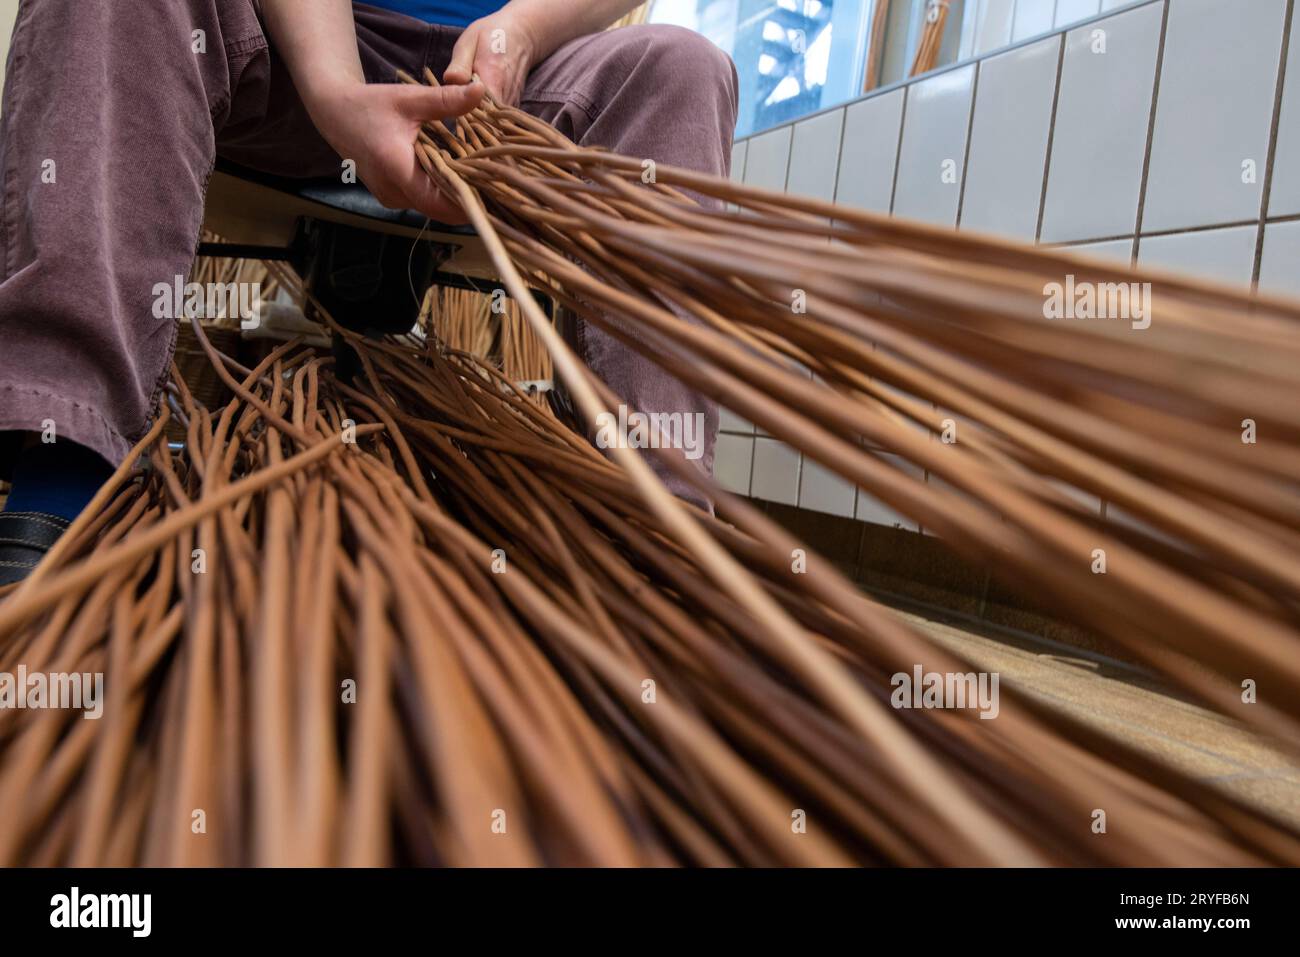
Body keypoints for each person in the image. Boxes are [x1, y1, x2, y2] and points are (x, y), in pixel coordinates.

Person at [0, 0, 737, 584]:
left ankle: (659, 542)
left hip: (511, 76)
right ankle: (63, 477)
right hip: (298, 40)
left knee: (682, 68)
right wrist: (335, 87)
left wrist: (518, 30)